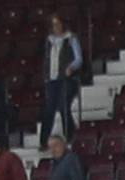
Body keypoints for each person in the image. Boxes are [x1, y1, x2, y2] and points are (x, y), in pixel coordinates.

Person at [41, 13, 83, 144]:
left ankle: (69, 134)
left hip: (66, 79)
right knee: (49, 110)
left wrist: (71, 67)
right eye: (53, 25)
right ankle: (44, 140)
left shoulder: (70, 38)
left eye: (58, 24)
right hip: (51, 79)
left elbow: (78, 58)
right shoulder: (49, 40)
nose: (56, 27)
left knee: (63, 106)